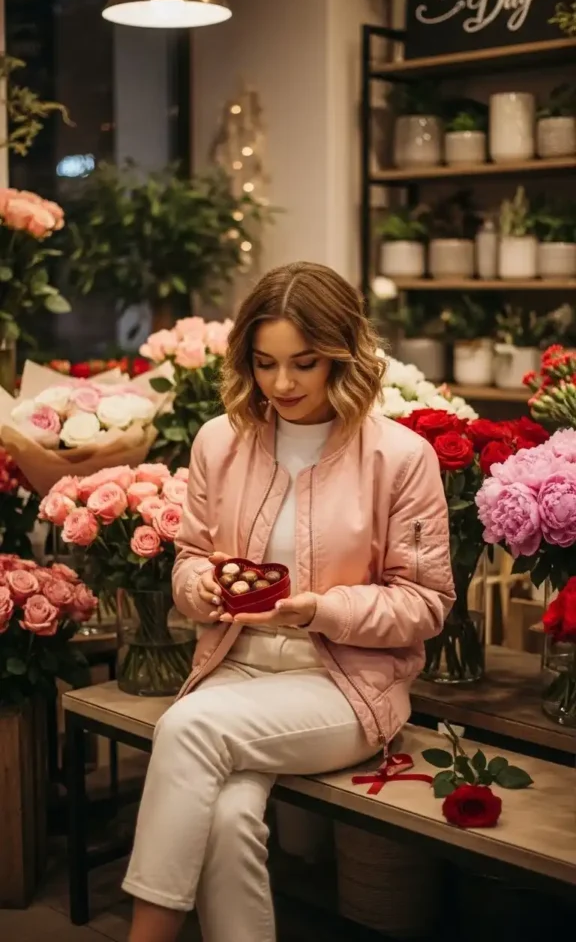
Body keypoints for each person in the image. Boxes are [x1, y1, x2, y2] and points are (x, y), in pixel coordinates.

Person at [124, 261, 454, 942]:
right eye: (266, 363)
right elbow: (188, 564)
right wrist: (203, 588)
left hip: (344, 685)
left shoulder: (401, 456)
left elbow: (424, 604)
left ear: (343, 354)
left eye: (304, 363)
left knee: (187, 729)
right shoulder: (221, 440)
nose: (281, 384)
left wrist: (319, 610)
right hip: (234, 671)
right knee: (225, 815)